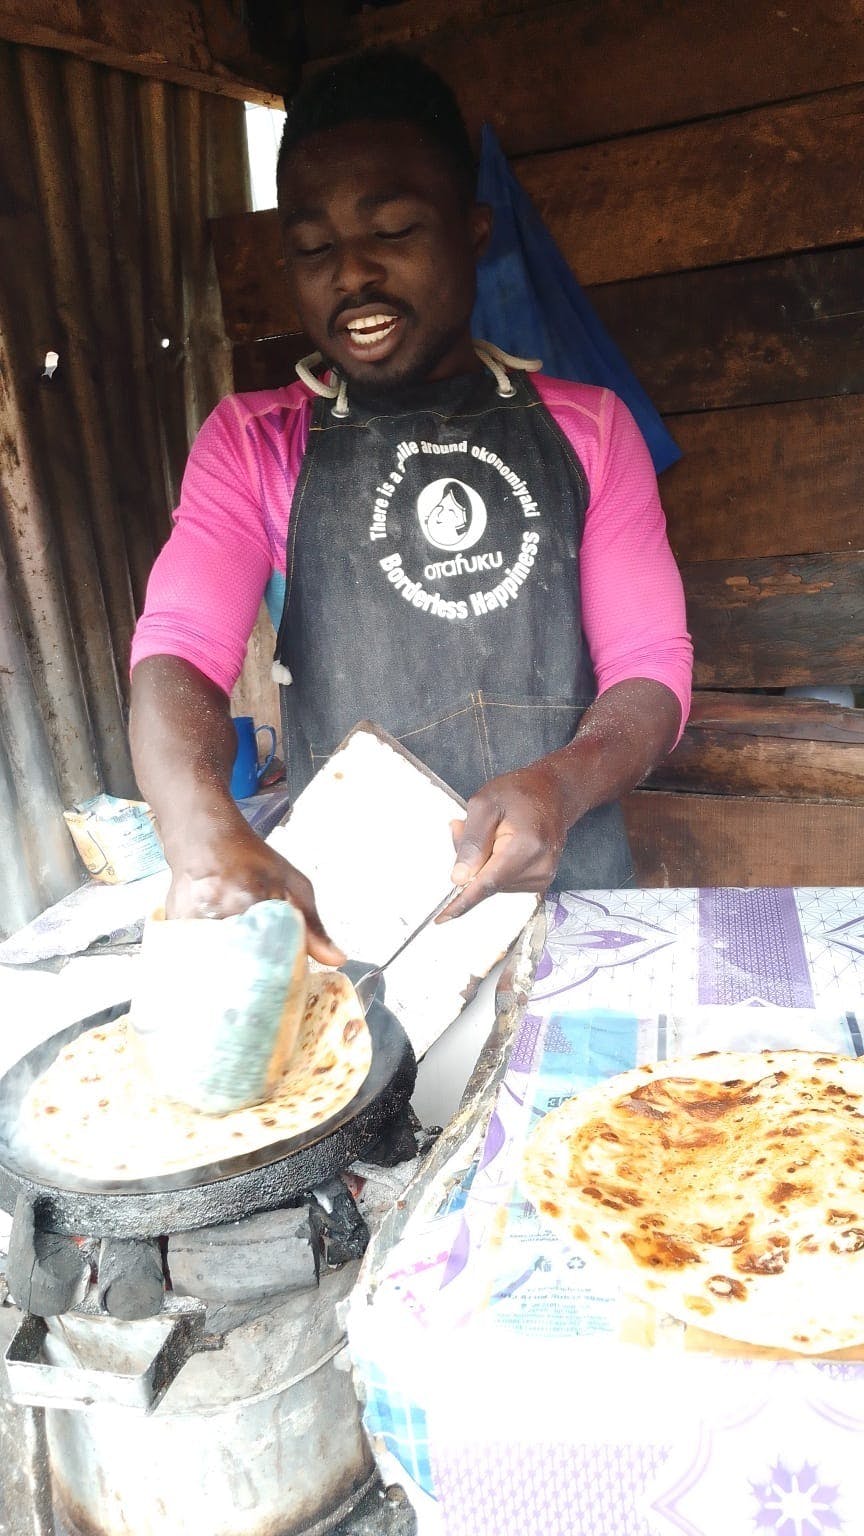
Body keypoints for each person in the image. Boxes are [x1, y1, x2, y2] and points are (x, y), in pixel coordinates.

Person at [129, 49, 692, 964]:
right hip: (356, 926)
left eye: (392, 229)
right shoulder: (252, 444)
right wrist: (200, 828)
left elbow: (651, 666)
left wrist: (560, 783)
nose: (352, 275)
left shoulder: (591, 428)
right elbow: (178, 649)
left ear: (472, 231)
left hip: (573, 894)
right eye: (314, 248)